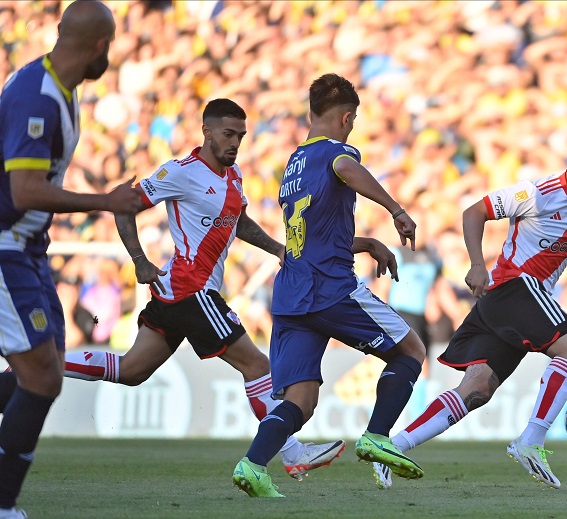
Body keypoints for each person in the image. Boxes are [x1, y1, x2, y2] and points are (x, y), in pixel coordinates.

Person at [62, 98, 382, 480]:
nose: (235, 143)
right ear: (207, 131)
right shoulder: (181, 172)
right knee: (257, 366)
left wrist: (276, 248)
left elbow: (239, 222)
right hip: (192, 290)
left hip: (177, 293)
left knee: (132, 371)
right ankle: (292, 453)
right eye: (228, 134)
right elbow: (124, 205)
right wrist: (139, 260)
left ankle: (50, 363)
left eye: (241, 136)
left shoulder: (234, 176)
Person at [371, 133, 567, 490]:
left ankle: (393, 447)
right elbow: (475, 212)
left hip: (507, 302)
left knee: (477, 389)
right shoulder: (537, 193)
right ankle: (531, 441)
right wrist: (477, 264)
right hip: (515, 287)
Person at [231, 73, 427, 498]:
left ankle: (253, 465)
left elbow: (312, 237)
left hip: (291, 294)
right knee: (411, 350)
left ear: (310, 114)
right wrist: (395, 209)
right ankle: (377, 436)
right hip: (330, 288)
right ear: (346, 118)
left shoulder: (293, 165)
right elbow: (345, 168)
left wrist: (368, 243)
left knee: (300, 401)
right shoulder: (338, 152)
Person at [0, 2, 144, 518]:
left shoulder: (59, 87)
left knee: (46, 368)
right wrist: (106, 200)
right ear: (101, 46)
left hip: (29, 248)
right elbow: (24, 191)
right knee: (41, 377)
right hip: (6, 246)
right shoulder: (36, 97)